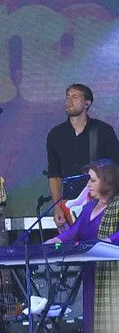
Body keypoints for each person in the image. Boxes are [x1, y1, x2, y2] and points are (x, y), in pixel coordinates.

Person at [43, 159, 119, 333]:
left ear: (107, 182)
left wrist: (106, 242)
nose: (88, 184)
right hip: (92, 274)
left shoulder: (117, 206)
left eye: (93, 180)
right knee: (94, 325)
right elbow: (73, 232)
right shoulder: (89, 208)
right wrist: (55, 240)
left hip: (112, 277)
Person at [46, 84, 119, 230]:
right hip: (70, 207)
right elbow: (54, 174)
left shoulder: (103, 131)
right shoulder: (55, 135)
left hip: (102, 204)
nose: (69, 101)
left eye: (75, 97)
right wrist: (57, 207)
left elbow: (115, 168)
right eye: (67, 97)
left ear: (87, 103)